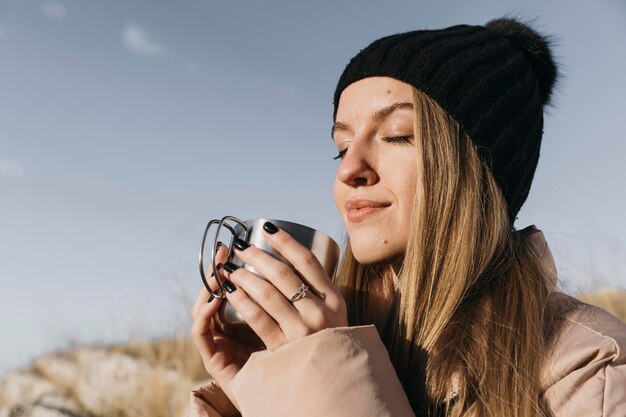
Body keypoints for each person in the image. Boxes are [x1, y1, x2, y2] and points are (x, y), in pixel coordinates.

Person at [188, 17, 626, 417]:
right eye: (341, 147)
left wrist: (321, 376)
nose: (348, 169)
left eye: (397, 136)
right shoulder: (331, 331)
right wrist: (262, 386)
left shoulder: (588, 367)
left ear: (477, 169)